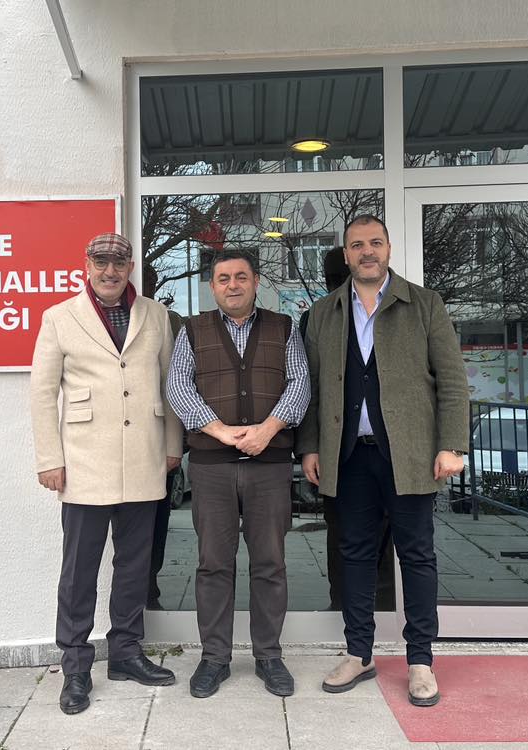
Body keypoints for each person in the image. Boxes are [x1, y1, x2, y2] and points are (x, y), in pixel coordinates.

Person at [297, 215, 468, 707]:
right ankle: (359, 653)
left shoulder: (425, 304)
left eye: (375, 242)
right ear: (346, 254)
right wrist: (310, 446)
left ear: (389, 249)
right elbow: (312, 388)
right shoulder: (324, 312)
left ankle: (421, 661)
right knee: (354, 555)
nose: (367, 251)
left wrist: (452, 444)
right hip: (349, 456)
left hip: (410, 455)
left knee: (417, 555)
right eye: (357, 245)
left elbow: (452, 380)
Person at [30, 233, 183, 715]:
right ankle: (76, 666)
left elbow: (170, 383)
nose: (110, 271)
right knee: (79, 571)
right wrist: (49, 458)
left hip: (144, 457)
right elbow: (42, 392)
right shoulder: (60, 317)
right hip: (84, 463)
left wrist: (173, 447)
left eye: (118, 263)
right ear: (87, 264)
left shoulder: (156, 315)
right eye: (101, 262)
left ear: (130, 266)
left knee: (135, 565)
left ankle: (126, 653)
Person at [166, 250, 310, 699]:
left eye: (241, 277)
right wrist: (220, 431)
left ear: (256, 281)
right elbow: (178, 385)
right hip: (212, 467)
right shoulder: (193, 330)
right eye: (224, 278)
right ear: (212, 286)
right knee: (213, 565)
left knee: (270, 564)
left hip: (269, 466)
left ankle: (269, 656)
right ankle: (214, 658)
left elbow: (300, 383)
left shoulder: (284, 328)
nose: (233, 285)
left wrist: (268, 430)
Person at [299, 246, 350, 611]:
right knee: (342, 533)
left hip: (388, 447)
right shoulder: (316, 316)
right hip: (336, 448)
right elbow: (309, 386)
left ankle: (372, 603)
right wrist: (309, 447)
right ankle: (342, 603)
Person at [141, 264, 185, 610]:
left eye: (149, 281)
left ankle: (150, 589)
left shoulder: (170, 322)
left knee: (157, 522)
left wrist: (175, 445)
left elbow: (179, 384)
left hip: (158, 444)